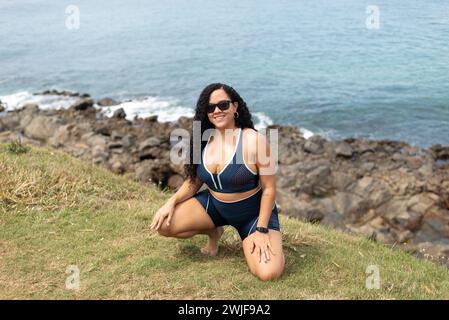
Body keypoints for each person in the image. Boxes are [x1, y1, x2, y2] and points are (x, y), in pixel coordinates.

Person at [150, 83, 284, 281]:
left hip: (252, 215)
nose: (217, 111)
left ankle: (254, 236)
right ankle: (214, 231)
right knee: (164, 225)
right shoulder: (202, 139)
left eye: (223, 105)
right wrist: (170, 202)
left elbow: (269, 189)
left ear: (235, 107)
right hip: (215, 207)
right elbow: (194, 181)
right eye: (210, 107)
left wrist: (262, 230)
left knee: (268, 273)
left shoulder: (254, 140)